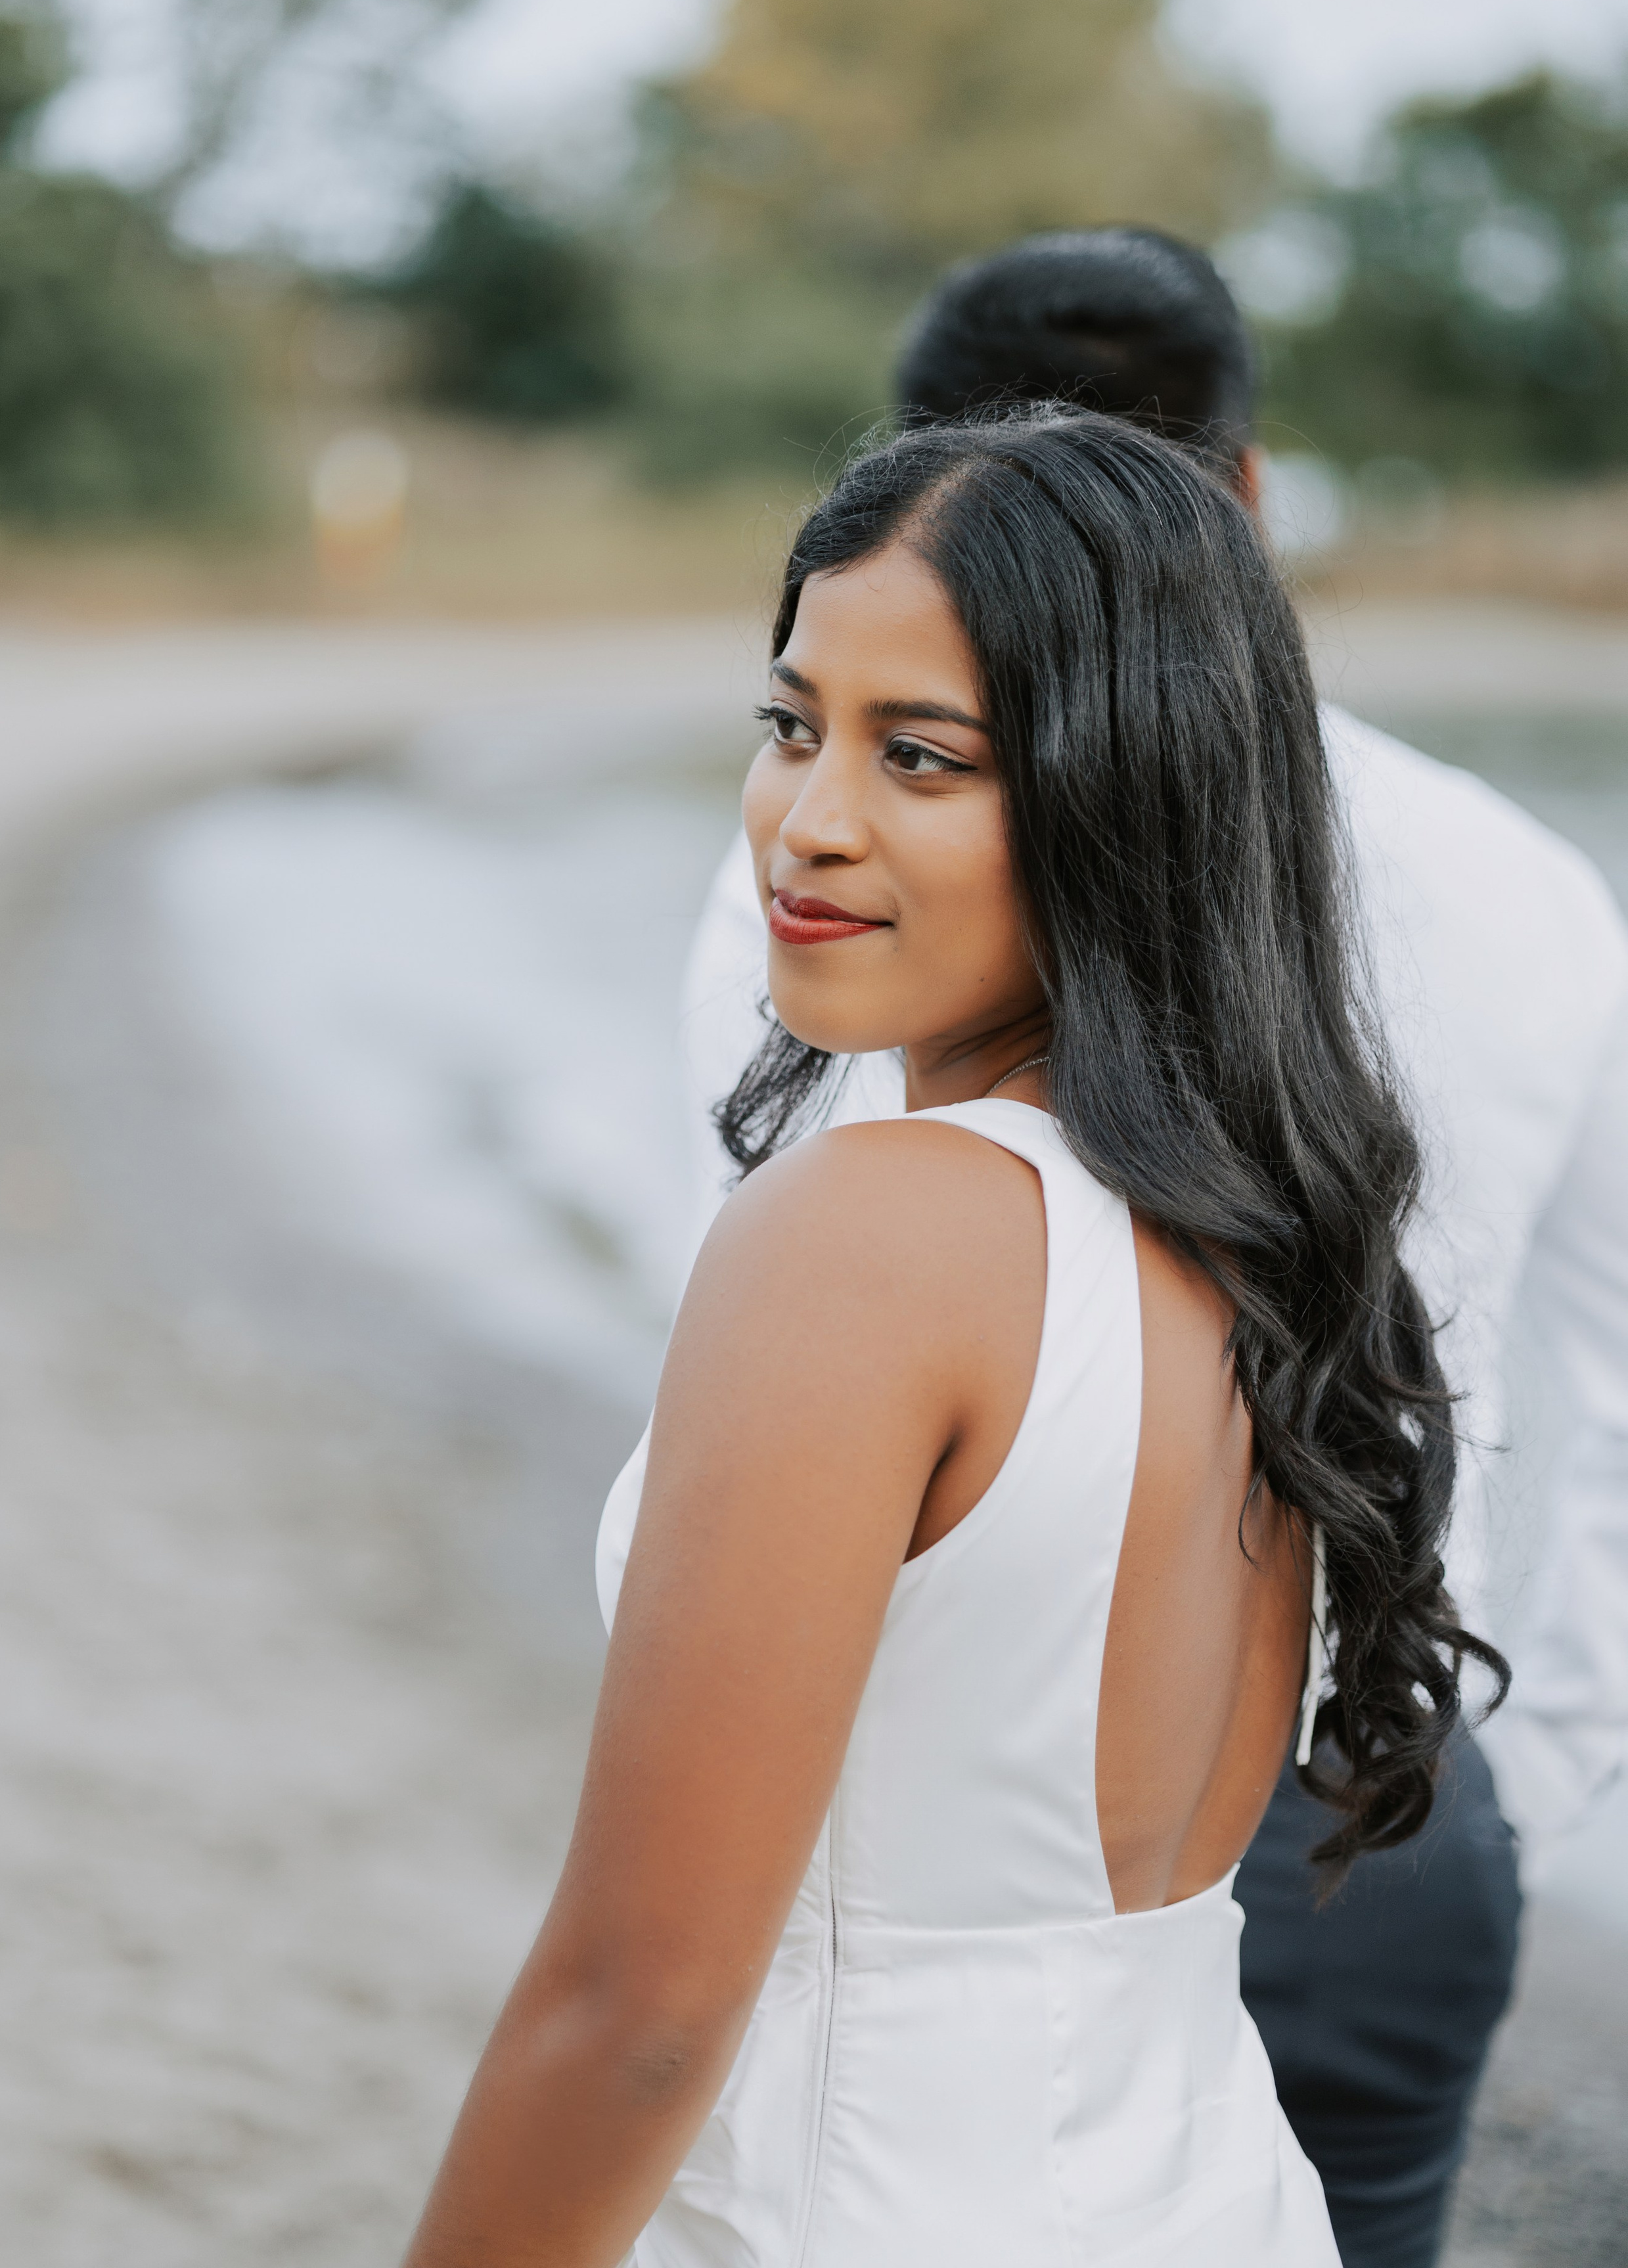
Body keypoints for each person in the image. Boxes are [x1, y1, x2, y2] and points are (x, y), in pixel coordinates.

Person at [408, 411, 1506, 2268]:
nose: (808, 820)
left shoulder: (870, 1237)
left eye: (922, 756)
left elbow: (639, 2005)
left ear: (1123, 792)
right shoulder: (1256, 1233)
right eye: (790, 724)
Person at [680, 229, 1628, 2268]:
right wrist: (1508, 1783)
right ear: (1256, 498)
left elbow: (771, 1368)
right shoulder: (1529, 889)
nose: (818, 802)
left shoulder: (828, 883)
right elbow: (1613, 1386)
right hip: (1385, 1758)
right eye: (798, 725)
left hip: (975, 1810)